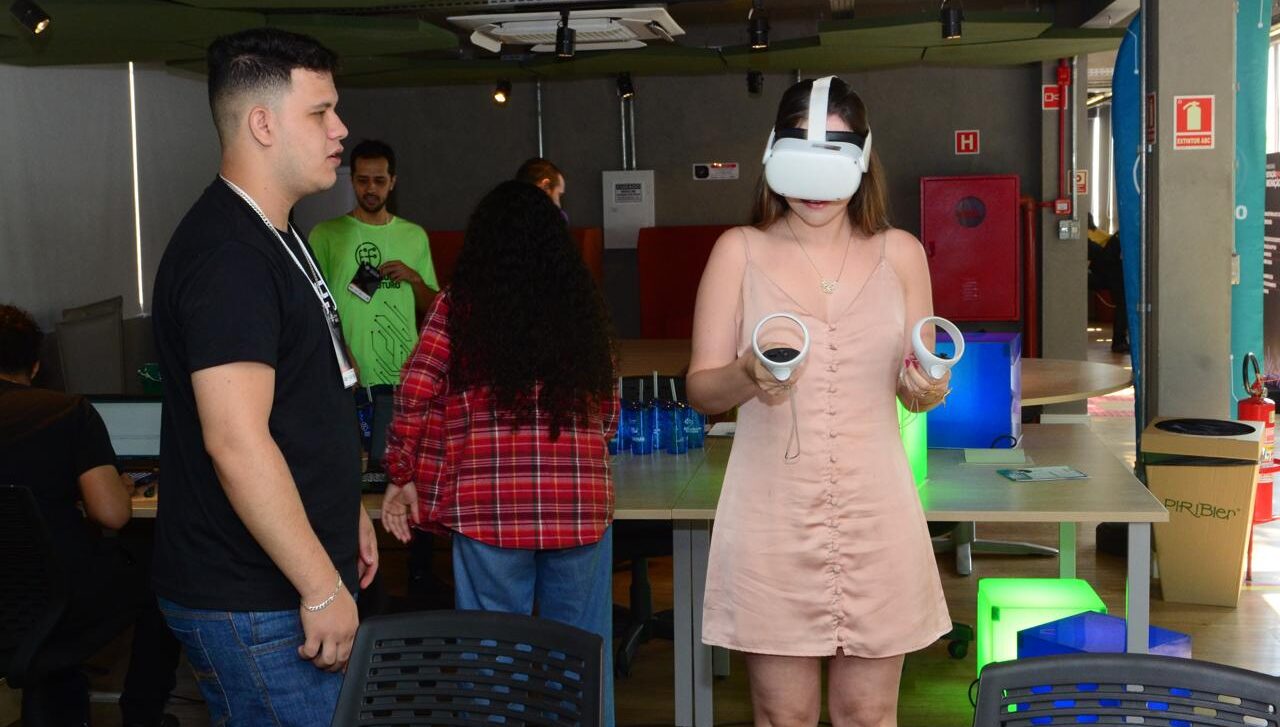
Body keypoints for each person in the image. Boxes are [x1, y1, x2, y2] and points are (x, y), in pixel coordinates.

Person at [686, 76, 952, 727]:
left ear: (862, 159)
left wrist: (926, 388)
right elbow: (701, 389)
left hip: (877, 510)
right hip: (771, 515)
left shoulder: (901, 255)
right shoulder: (739, 251)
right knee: (785, 714)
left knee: (868, 712)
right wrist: (747, 374)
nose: (815, 186)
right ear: (773, 155)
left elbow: (916, 379)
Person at [149, 27, 378, 726]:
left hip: (280, 582)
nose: (340, 130)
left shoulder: (275, 232)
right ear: (262, 124)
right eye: (320, 112)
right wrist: (319, 585)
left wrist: (345, 513)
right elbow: (236, 441)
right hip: (257, 598)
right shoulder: (230, 256)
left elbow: (305, 401)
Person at [380, 180, 619, 725]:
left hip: (488, 507)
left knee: (492, 662)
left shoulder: (459, 306)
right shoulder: (581, 309)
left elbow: (415, 389)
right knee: (583, 657)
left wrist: (401, 470)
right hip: (578, 506)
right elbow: (608, 408)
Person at [0, 304, 181, 727]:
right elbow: (112, 515)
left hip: (10, 601)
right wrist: (114, 486)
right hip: (55, 600)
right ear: (36, 365)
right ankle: (142, 715)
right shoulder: (67, 412)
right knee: (161, 577)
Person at [310, 139, 439, 391]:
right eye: (362, 180)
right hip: (349, 372)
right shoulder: (326, 234)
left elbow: (434, 310)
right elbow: (312, 308)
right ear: (352, 180)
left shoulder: (414, 235)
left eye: (379, 181)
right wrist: (342, 356)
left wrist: (414, 279)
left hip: (404, 375)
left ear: (392, 182)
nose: (370, 188)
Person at [1087, 215, 1128, 354]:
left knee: (1122, 306)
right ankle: (1119, 342)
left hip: (1106, 271)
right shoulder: (1113, 236)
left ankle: (1120, 342)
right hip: (1111, 272)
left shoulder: (1118, 235)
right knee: (1123, 305)